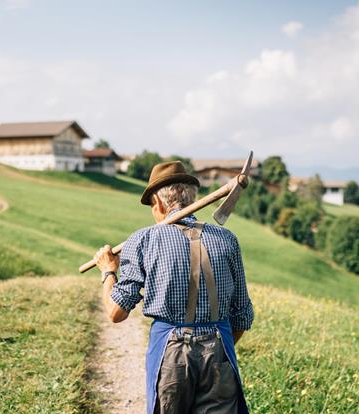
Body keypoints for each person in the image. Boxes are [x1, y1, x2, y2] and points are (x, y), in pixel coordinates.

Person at [94, 160, 254, 414]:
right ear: (192, 198)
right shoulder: (227, 239)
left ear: (157, 203)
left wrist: (107, 271)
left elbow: (116, 312)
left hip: (171, 355)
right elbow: (242, 316)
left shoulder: (143, 239)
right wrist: (213, 343)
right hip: (219, 350)